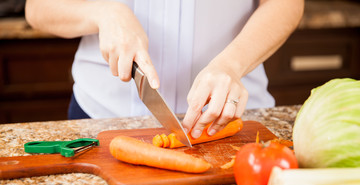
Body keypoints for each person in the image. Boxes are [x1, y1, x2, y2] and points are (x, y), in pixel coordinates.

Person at [25, 0, 304, 139]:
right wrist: (104, 11)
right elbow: (37, 7)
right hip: (99, 118)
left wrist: (231, 64)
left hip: (229, 120)